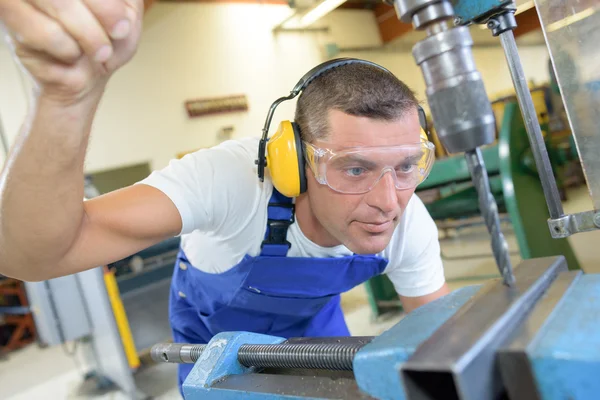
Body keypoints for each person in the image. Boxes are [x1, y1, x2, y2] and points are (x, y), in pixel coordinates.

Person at [0, 0, 450, 390]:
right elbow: (32, 257)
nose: (389, 201)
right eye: (355, 169)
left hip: (315, 328)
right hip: (211, 335)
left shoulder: (408, 225)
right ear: (294, 162)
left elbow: (437, 345)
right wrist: (64, 101)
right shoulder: (232, 181)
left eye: (408, 166)